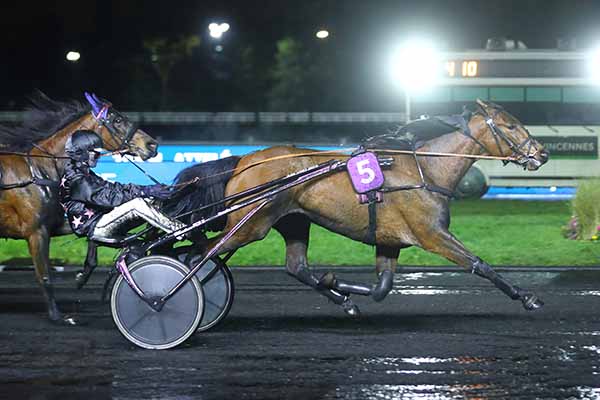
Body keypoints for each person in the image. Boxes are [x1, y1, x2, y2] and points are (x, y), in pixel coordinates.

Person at [58, 130, 186, 243]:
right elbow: (108, 198)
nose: (98, 157)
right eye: (96, 153)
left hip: (102, 219)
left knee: (152, 199)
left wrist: (148, 190)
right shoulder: (76, 179)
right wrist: (144, 192)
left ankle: (155, 237)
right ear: (82, 153)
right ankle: (180, 230)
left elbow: (114, 188)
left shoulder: (85, 173)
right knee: (137, 204)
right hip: (94, 226)